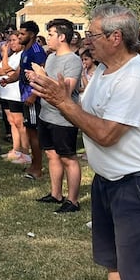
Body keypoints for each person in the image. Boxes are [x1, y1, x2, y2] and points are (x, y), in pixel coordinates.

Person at [30, 4, 140, 280]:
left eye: (93, 34)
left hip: (138, 185)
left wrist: (63, 102)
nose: (87, 40)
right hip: (108, 181)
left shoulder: (136, 74)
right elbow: (87, 118)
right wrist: (62, 100)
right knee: (116, 265)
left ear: (116, 37)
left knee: (139, 276)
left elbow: (105, 133)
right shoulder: (104, 73)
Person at [31, 19, 83, 214]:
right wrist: (35, 78)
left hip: (64, 118)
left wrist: (42, 76)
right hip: (46, 114)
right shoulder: (51, 57)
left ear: (62, 37)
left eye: (51, 34)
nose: (48, 38)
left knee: (68, 158)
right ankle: (56, 194)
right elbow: (46, 83)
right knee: (51, 154)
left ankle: (73, 200)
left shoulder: (73, 60)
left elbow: (66, 90)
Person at [18, 21, 47, 180]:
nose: (19, 36)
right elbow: (21, 71)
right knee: (29, 131)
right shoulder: (25, 50)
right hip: (24, 95)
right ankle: (33, 164)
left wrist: (34, 95)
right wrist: (9, 80)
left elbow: (43, 74)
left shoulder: (37, 51)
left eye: (22, 34)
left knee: (34, 133)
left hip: (32, 97)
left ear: (31, 34)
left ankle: (37, 168)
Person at [0, 33, 30, 164]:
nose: (11, 43)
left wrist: (4, 53)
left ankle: (25, 151)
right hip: (5, 94)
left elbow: (6, 69)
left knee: (19, 123)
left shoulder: (21, 56)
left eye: (14, 40)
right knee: (12, 122)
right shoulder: (13, 56)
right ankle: (16, 149)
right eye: (9, 40)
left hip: (15, 94)